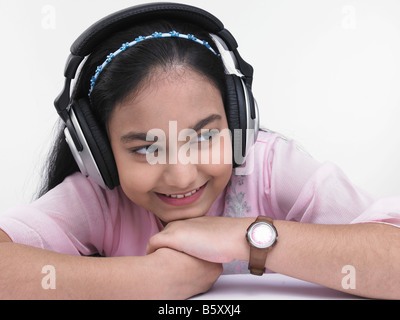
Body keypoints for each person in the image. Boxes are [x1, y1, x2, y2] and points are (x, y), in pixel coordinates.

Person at [0, 3, 399, 300]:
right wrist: (149, 280)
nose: (182, 175)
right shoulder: (99, 199)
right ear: (98, 151)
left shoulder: (273, 166)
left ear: (238, 124)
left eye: (205, 137)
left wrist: (246, 238)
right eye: (146, 148)